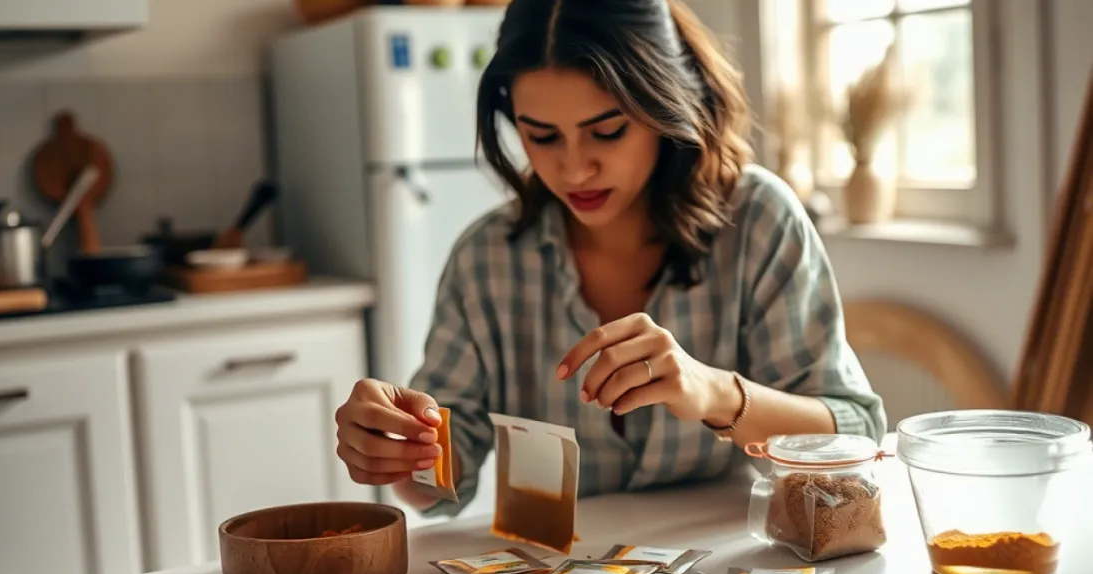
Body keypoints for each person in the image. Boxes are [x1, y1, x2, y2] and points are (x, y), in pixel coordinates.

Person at [335, 0, 886, 517]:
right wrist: (400, 451)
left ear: (666, 102)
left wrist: (714, 393)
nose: (574, 169)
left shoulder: (760, 220)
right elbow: (440, 488)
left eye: (607, 131)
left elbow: (856, 433)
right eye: (542, 136)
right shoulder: (485, 259)